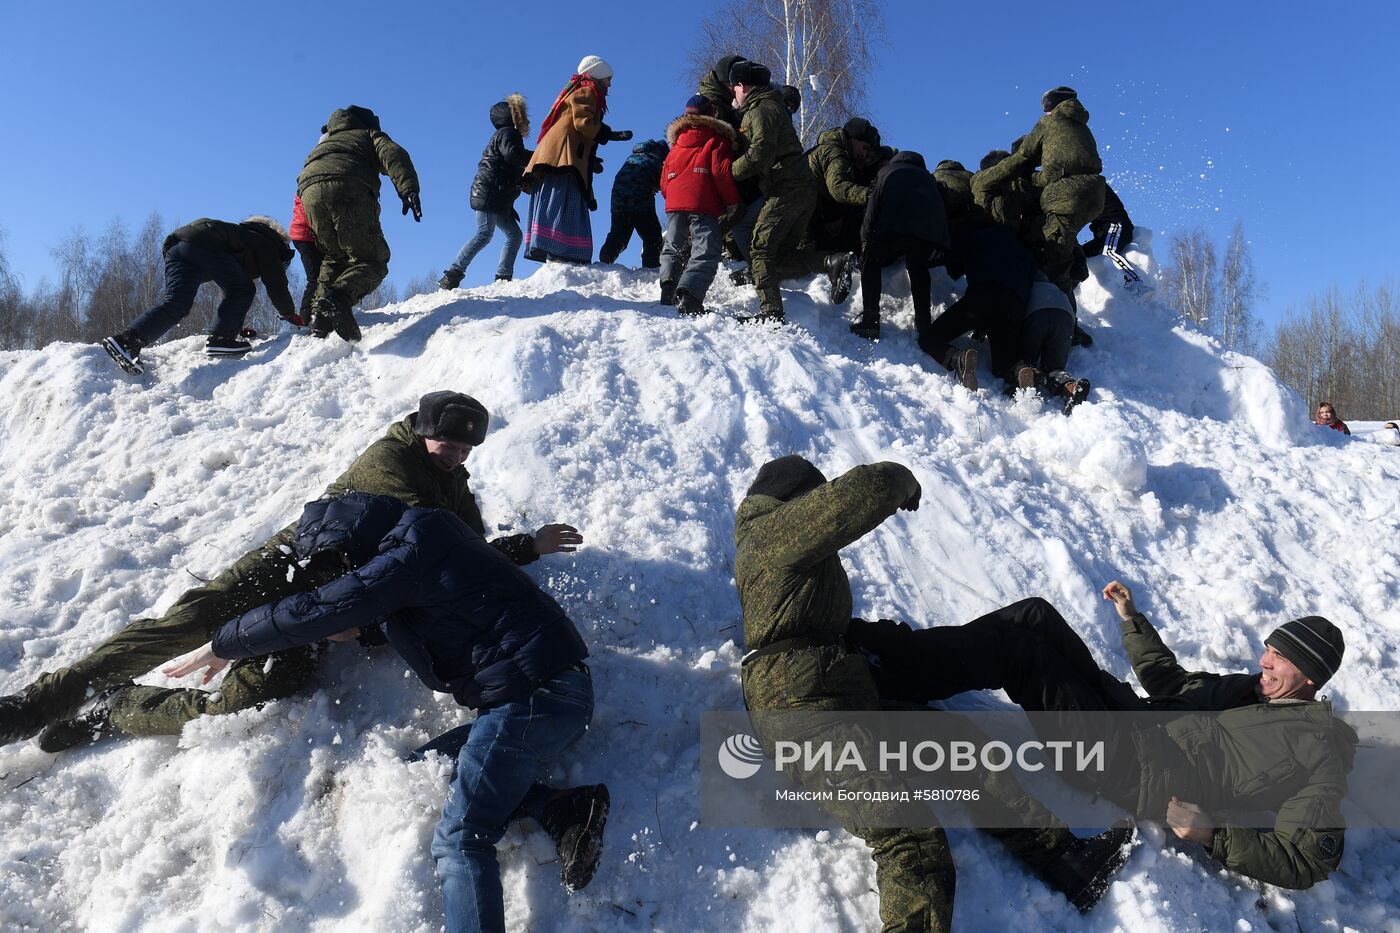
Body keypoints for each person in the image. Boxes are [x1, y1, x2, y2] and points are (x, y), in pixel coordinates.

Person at [0, 391, 584, 751]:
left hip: (337, 604)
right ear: (424, 429)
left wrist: (525, 547)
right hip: (292, 570)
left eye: (466, 450)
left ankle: (118, 714)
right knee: (184, 627)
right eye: (448, 444)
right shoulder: (391, 459)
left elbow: (463, 554)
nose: (457, 455)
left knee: (259, 695)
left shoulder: (451, 482)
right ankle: (37, 704)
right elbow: (423, 543)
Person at [163, 492, 609, 930]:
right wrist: (364, 629)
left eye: (340, 563)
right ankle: (563, 807)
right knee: (427, 766)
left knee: (460, 840)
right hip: (547, 698)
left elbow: (322, 607)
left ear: (350, 541)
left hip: (533, 698)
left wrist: (223, 644)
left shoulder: (410, 547)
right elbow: (434, 611)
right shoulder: (426, 543)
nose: (344, 573)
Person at [736, 456, 1134, 930]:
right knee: (908, 835)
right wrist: (902, 482)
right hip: (801, 712)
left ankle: (1066, 861)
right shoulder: (770, 532)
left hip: (837, 697)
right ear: (797, 496)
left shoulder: (782, 554)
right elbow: (870, 486)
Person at [847, 582, 1355, 890]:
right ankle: (898, 661)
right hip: (1129, 719)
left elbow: (1307, 860)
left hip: (1129, 769)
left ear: (1310, 678)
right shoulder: (1251, 689)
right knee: (1035, 614)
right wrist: (1133, 622)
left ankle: (877, 677)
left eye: (1280, 658)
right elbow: (1172, 683)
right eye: (1268, 648)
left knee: (1023, 653)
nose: (1264, 661)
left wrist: (1213, 833)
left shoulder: (1318, 751)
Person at [99, 216, 296, 375]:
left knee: (178, 302)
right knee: (244, 288)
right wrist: (288, 313)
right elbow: (275, 283)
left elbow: (230, 290)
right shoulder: (267, 242)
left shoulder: (241, 236)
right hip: (202, 244)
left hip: (176, 247)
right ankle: (221, 340)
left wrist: (234, 325)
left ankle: (127, 341)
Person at [297, 105, 421, 342]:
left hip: (308, 194)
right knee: (373, 259)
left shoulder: (324, 144)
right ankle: (339, 298)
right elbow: (392, 154)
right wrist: (408, 189)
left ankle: (319, 321)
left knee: (334, 256)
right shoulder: (368, 134)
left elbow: (305, 176)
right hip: (348, 185)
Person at [973, 87, 1106, 301]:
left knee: (1056, 264)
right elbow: (1055, 172)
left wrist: (998, 173)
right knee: (1061, 243)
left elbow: (1024, 155)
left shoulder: (1049, 123)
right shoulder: (1081, 127)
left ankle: (1068, 329)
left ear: (1052, 106)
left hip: (1066, 195)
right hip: (1095, 193)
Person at [728, 60, 820, 324]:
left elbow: (760, 153)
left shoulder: (762, 109)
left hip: (786, 186)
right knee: (781, 255)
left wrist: (728, 172)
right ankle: (831, 263)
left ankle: (771, 312)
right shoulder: (772, 105)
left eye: (735, 87)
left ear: (743, 86)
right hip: (800, 185)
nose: (734, 92)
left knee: (760, 250)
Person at [523, 56, 631, 265]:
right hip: (562, 158)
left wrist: (590, 158)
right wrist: (608, 134)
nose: (610, 84)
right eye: (608, 78)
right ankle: (560, 253)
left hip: (565, 154)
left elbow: (577, 130)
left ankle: (560, 253)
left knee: (566, 200)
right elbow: (582, 123)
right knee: (564, 199)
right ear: (598, 74)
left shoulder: (584, 90)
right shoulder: (587, 89)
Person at [850, 150, 948, 341]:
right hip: (923, 237)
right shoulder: (929, 178)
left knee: (871, 262)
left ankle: (870, 319)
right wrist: (942, 244)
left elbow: (872, 207)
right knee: (918, 268)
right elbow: (940, 212)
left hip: (890, 230)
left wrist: (865, 241)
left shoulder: (886, 172)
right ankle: (924, 323)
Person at [658, 96, 740, 317]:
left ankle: (668, 287)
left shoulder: (676, 144)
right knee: (706, 250)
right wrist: (731, 202)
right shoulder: (716, 140)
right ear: (710, 115)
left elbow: (664, 179)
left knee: (673, 245)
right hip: (702, 202)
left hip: (674, 204)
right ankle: (691, 296)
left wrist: (672, 198)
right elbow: (721, 173)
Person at [439, 95, 532, 289]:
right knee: (484, 234)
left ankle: (503, 277)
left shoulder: (506, 135)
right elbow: (513, 156)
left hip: (497, 197)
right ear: (513, 116)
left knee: (514, 234)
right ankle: (453, 274)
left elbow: (508, 170)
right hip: (488, 193)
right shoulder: (508, 133)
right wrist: (537, 156)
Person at [1003, 273, 1092, 413]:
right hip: (1065, 315)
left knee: (1025, 360)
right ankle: (1071, 387)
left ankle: (1028, 372)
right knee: (1054, 368)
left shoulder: (1023, 286)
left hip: (1036, 315)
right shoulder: (1055, 288)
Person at [598, 138, 670, 268]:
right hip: (640, 200)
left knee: (618, 234)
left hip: (618, 200)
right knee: (652, 235)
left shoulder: (633, 157)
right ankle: (651, 267)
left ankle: (605, 261)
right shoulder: (656, 161)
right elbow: (665, 184)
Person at [288, 195, 320, 324]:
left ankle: (314, 314)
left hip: (308, 235)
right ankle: (305, 319)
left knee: (321, 275)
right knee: (315, 277)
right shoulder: (310, 188)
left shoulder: (309, 182)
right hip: (306, 236)